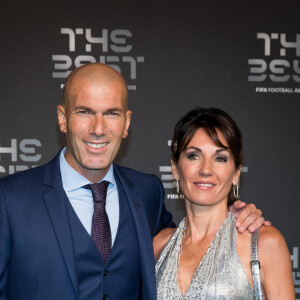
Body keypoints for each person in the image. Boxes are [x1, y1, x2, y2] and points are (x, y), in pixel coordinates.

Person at [0, 64, 266, 300]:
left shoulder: (146, 193)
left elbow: (190, 242)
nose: (98, 128)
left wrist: (230, 216)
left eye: (112, 114)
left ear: (126, 123)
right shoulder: (10, 200)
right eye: (84, 112)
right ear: (62, 118)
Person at [154, 107, 295, 299]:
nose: (206, 169)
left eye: (220, 158)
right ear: (175, 168)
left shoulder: (265, 243)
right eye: (193, 155)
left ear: (236, 173)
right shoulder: (158, 245)